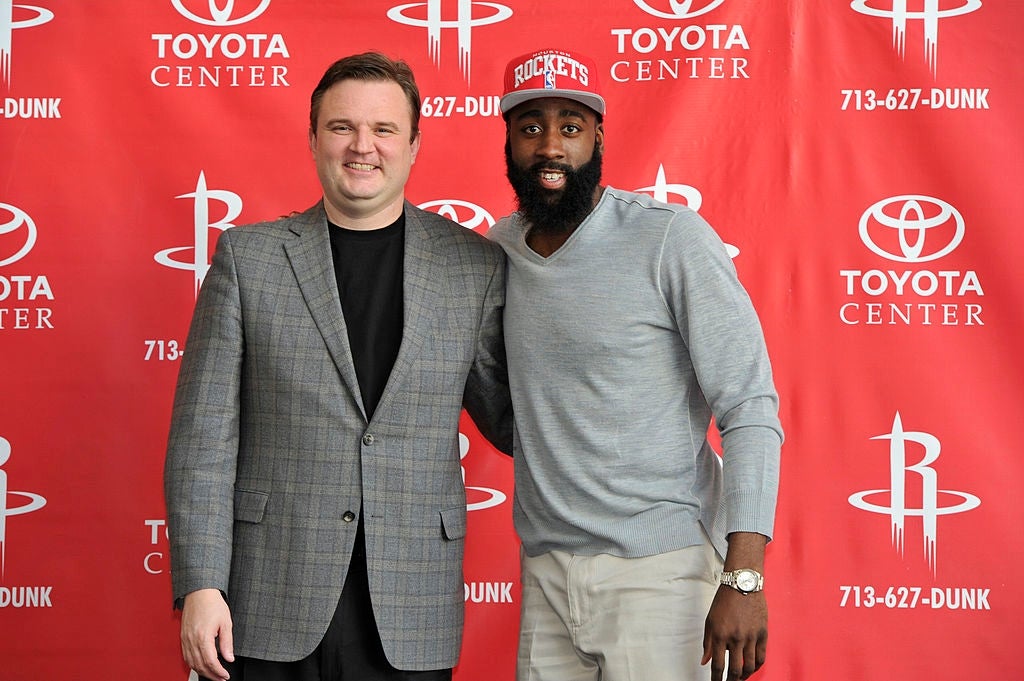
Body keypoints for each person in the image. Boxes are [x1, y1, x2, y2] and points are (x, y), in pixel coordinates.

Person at [164, 52, 511, 681]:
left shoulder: (473, 265)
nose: (362, 147)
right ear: (313, 138)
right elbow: (202, 438)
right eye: (341, 126)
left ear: (414, 144)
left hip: (412, 603)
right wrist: (200, 585)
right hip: (267, 597)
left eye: (383, 130)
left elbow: (513, 421)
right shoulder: (249, 259)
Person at [488, 48, 784, 681]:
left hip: (662, 575)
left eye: (570, 126)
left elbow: (750, 407)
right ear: (508, 139)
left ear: (598, 136)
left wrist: (744, 575)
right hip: (545, 574)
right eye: (530, 126)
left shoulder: (670, 238)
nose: (550, 147)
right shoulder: (499, 248)